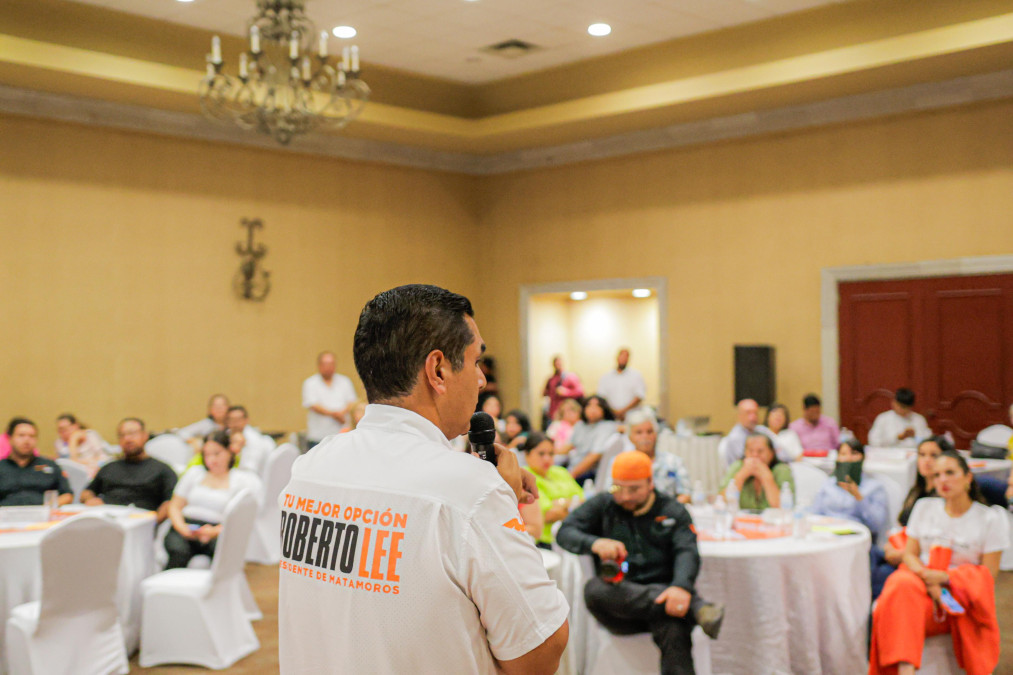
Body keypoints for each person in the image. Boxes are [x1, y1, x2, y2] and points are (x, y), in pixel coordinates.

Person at [278, 284, 568, 675]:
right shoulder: (471, 492)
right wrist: (504, 505)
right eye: (475, 361)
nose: (482, 380)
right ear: (438, 370)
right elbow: (539, 651)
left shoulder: (309, 469)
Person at [557, 451, 724, 675]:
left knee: (674, 626)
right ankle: (696, 607)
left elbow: (688, 551)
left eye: (634, 489)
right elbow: (565, 532)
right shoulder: (604, 504)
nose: (625, 496)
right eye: (618, 488)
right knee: (594, 590)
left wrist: (681, 587)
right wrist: (595, 543)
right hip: (620, 605)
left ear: (650, 483)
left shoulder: (673, 510)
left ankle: (679, 603)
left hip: (668, 602)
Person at [869, 451, 1009, 675]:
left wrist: (945, 579)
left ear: (968, 477)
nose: (942, 480)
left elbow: (987, 578)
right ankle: (906, 670)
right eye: (937, 475)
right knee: (901, 584)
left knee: (897, 594)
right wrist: (929, 580)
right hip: (918, 587)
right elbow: (910, 555)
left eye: (950, 473)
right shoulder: (924, 507)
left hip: (959, 598)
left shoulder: (990, 518)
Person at [164, 430, 263, 569]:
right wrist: (182, 528)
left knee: (221, 553)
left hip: (220, 529)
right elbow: (175, 506)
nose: (211, 460)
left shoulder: (241, 480)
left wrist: (215, 531)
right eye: (206, 455)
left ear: (229, 452)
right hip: (187, 525)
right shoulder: (195, 473)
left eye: (217, 453)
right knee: (178, 552)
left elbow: (242, 519)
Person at [870, 436, 945, 599]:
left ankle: (878, 615)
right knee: (867, 553)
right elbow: (900, 524)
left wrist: (903, 554)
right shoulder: (916, 490)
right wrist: (891, 546)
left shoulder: (941, 498)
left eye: (934, 455)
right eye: (922, 455)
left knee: (881, 573)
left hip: (921, 556)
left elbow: (933, 540)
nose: (927, 461)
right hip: (901, 545)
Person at [81, 417, 178, 519]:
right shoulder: (109, 467)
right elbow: (86, 492)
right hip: (107, 518)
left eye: (132, 433)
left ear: (145, 436)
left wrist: (154, 523)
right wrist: (90, 499)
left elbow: (171, 502)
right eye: (122, 435)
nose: (127, 439)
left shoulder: (162, 470)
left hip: (141, 521)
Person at [601, 407, 691, 501]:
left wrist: (669, 509)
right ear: (630, 437)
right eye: (639, 433)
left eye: (649, 432)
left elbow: (686, 494)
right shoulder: (618, 462)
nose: (645, 437)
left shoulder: (673, 461)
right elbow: (609, 493)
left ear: (656, 434)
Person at [809, 438, 889, 538]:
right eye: (843, 454)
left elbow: (876, 525)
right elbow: (814, 515)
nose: (848, 458)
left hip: (857, 538)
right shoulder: (828, 484)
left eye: (854, 453)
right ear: (837, 458)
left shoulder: (874, 487)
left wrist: (859, 497)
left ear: (863, 457)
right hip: (827, 536)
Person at [522, 432, 584, 547]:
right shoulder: (525, 477)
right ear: (527, 455)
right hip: (544, 541)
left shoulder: (560, 471)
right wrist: (571, 502)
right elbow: (548, 515)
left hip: (572, 535)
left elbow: (584, 504)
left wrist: (561, 503)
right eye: (541, 454)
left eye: (551, 454)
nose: (547, 459)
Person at [0, 418, 72, 506]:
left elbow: (67, 495)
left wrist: (48, 507)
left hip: (43, 515)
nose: (27, 440)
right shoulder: (1, 467)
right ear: (10, 439)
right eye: (21, 435)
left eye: (32, 436)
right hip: (6, 516)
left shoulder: (49, 465)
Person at [719, 433, 793, 510]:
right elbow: (721, 501)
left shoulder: (782, 470)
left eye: (760, 451)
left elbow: (784, 508)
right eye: (750, 451)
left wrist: (767, 478)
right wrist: (741, 476)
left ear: (771, 453)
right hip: (743, 520)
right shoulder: (738, 466)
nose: (755, 455)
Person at [302, 351, 358, 449]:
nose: (328, 367)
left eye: (331, 364)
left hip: (341, 434)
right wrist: (334, 414)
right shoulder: (310, 383)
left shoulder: (345, 381)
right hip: (318, 436)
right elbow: (313, 405)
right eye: (325, 364)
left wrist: (341, 413)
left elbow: (352, 402)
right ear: (319, 365)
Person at [567, 395, 620, 482]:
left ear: (604, 409)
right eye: (589, 405)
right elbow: (568, 446)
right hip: (571, 465)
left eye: (597, 406)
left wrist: (571, 474)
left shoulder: (607, 426)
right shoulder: (580, 425)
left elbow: (594, 456)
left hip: (587, 473)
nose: (593, 409)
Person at [719, 398, 785, 466]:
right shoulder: (735, 438)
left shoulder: (763, 430)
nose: (753, 417)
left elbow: (782, 453)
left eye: (755, 413)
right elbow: (748, 462)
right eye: (748, 413)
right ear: (739, 415)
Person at [596, 348, 646, 421]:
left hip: (632, 417)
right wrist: (614, 412)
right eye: (621, 356)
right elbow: (601, 397)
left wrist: (623, 411)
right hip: (611, 417)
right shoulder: (606, 377)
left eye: (626, 356)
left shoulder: (636, 376)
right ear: (617, 357)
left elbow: (639, 395)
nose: (623, 359)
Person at [225, 405, 272, 474]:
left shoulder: (255, 439)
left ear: (246, 420)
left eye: (238, 420)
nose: (235, 424)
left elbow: (251, 469)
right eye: (232, 420)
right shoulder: (225, 435)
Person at [542, 356, 584, 428]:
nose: (557, 365)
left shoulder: (570, 377)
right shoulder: (551, 379)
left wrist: (567, 392)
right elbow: (545, 393)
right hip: (554, 412)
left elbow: (580, 392)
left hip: (567, 412)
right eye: (556, 364)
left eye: (559, 363)